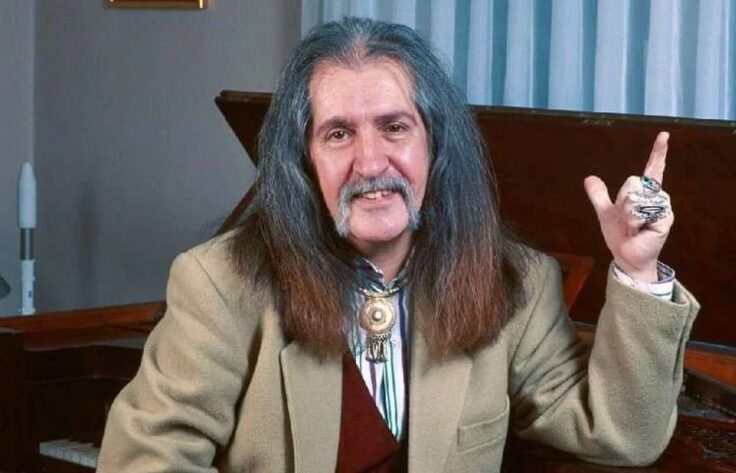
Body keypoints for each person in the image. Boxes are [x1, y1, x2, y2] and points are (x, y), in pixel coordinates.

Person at [98, 17, 699, 472]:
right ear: (304, 160)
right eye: (339, 134)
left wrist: (637, 268)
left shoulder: (518, 281)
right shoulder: (218, 284)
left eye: (394, 127)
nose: (370, 162)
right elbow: (144, 462)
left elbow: (623, 437)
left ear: (434, 144)